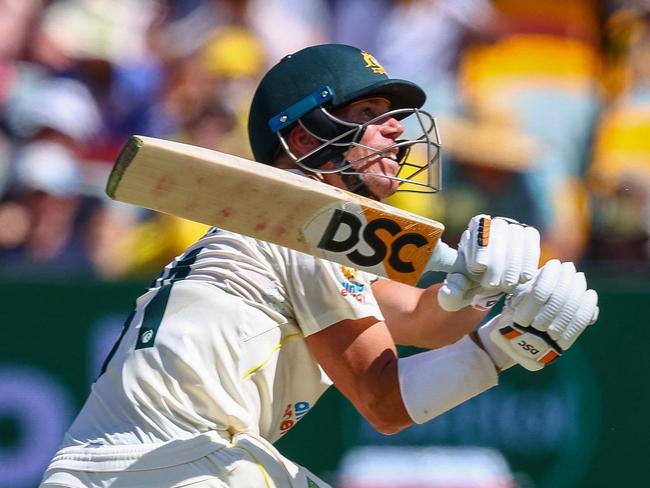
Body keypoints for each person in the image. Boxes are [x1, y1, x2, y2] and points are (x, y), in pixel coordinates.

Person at [39, 44, 599, 488]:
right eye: (368, 113)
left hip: (141, 465)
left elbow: (426, 319)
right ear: (306, 136)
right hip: (176, 463)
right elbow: (384, 402)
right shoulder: (303, 221)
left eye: (394, 117)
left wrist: (476, 290)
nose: (398, 131)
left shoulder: (292, 234)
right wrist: (502, 347)